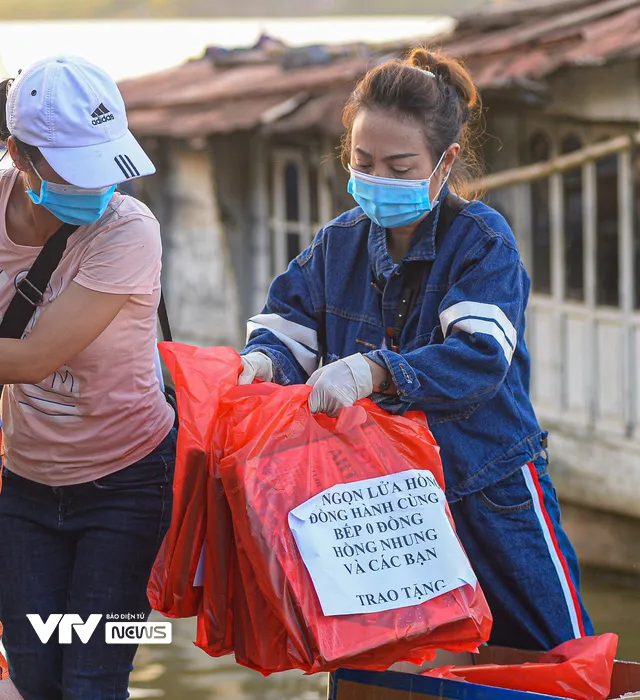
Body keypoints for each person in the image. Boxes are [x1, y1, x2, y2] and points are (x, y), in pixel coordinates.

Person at [238, 47, 593, 650]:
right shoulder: (337, 244)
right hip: (382, 501)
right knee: (387, 661)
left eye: (400, 167)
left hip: (488, 485)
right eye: (363, 161)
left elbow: (479, 356)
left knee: (550, 651)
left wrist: (375, 370)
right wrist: (262, 361)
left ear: (444, 161)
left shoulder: (482, 242)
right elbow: (289, 325)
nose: (377, 180)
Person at [0, 56, 176, 699]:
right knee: (34, 672)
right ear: (19, 153)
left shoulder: (129, 230)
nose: (98, 188)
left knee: (94, 677)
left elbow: (31, 359)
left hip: (127, 481)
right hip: (25, 484)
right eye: (77, 170)